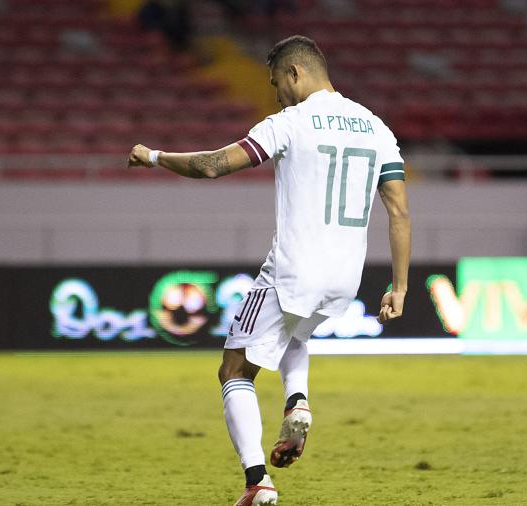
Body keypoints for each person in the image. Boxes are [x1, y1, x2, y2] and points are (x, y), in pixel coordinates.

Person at [128, 35, 411, 506]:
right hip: (345, 275)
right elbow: (398, 210)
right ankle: (297, 401)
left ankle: (257, 480)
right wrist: (399, 286)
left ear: (295, 73)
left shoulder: (290, 122)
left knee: (234, 367)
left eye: (276, 81)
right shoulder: (376, 127)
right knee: (293, 334)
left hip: (292, 270)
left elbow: (213, 165)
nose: (276, 92)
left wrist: (154, 156)